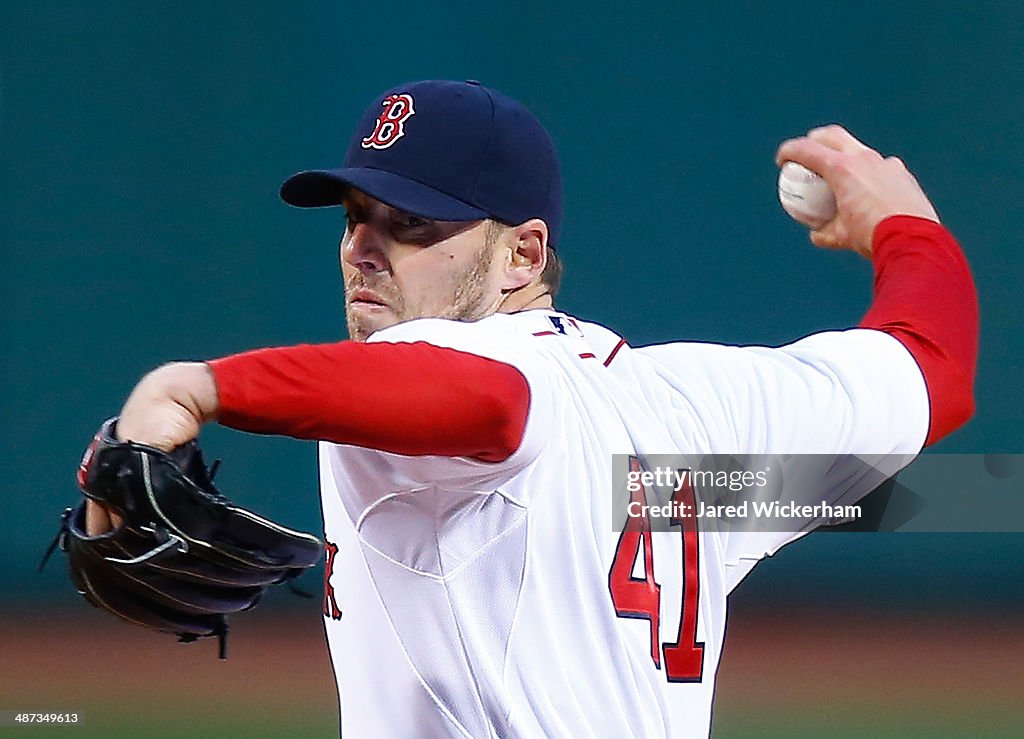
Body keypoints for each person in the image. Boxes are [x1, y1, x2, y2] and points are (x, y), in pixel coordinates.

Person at [85, 79, 977, 737]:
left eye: (413, 224)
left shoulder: (438, 371)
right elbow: (932, 372)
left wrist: (196, 386)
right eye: (355, 215)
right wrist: (907, 229)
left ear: (522, 255)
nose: (364, 246)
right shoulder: (701, 407)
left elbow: (488, 403)